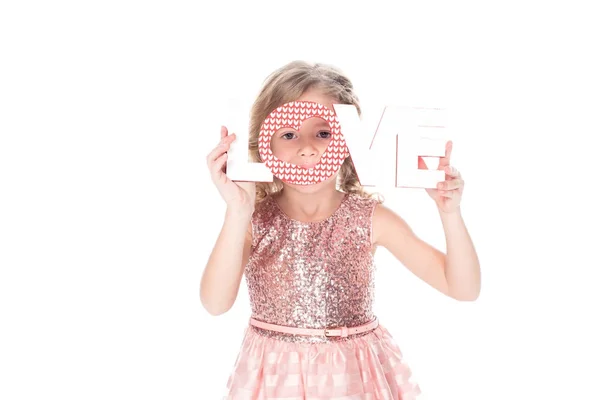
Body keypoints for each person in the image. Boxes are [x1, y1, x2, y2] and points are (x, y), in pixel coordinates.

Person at [201, 60, 481, 399]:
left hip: (355, 379)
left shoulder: (371, 219)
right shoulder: (253, 222)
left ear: (350, 142)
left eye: (323, 132)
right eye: (289, 134)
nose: (308, 147)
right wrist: (238, 212)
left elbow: (462, 288)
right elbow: (215, 303)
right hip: (275, 380)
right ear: (265, 145)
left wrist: (449, 213)